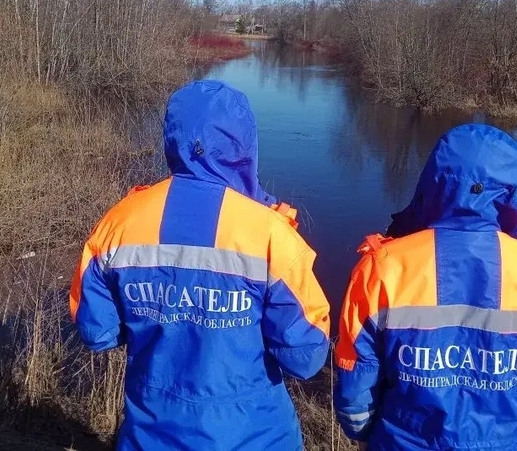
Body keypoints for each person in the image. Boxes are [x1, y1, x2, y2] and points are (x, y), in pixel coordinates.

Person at [70, 79, 331, 451]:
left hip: (151, 436)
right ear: (244, 145)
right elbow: (305, 357)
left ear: (172, 139)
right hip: (255, 438)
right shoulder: (270, 232)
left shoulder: (119, 222)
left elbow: (98, 333)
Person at [334, 123, 517, 450]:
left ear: (432, 184)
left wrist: (365, 435)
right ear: (515, 193)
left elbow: (355, 384)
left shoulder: (383, 268)